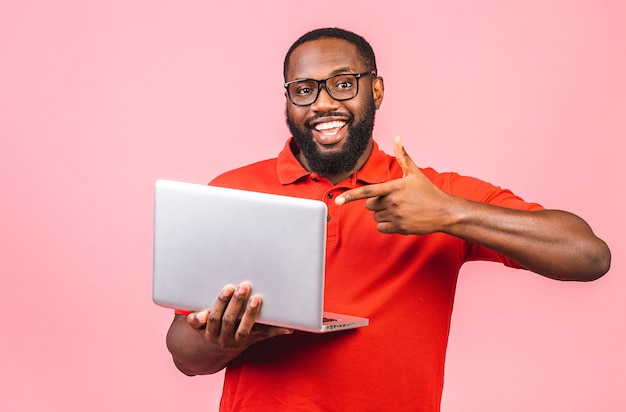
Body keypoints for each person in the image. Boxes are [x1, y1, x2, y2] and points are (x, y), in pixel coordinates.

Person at [165, 27, 611, 411]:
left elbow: (588, 256)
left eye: (343, 84)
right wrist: (231, 336)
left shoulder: (432, 193)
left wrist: (448, 213)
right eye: (304, 90)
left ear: (375, 90)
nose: (322, 104)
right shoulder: (231, 191)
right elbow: (184, 357)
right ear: (288, 100)